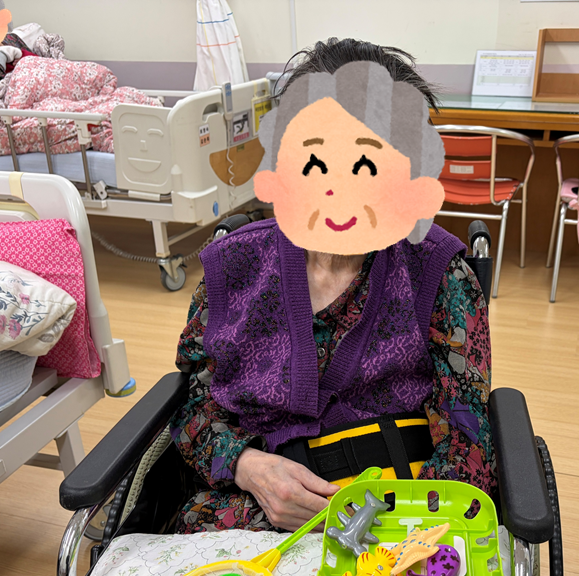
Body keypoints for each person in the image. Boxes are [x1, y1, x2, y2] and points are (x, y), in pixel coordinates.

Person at [171, 38, 494, 533]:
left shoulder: (440, 277)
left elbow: (468, 446)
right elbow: (192, 406)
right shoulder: (234, 269)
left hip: (399, 518)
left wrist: (385, 530)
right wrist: (248, 467)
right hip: (249, 514)